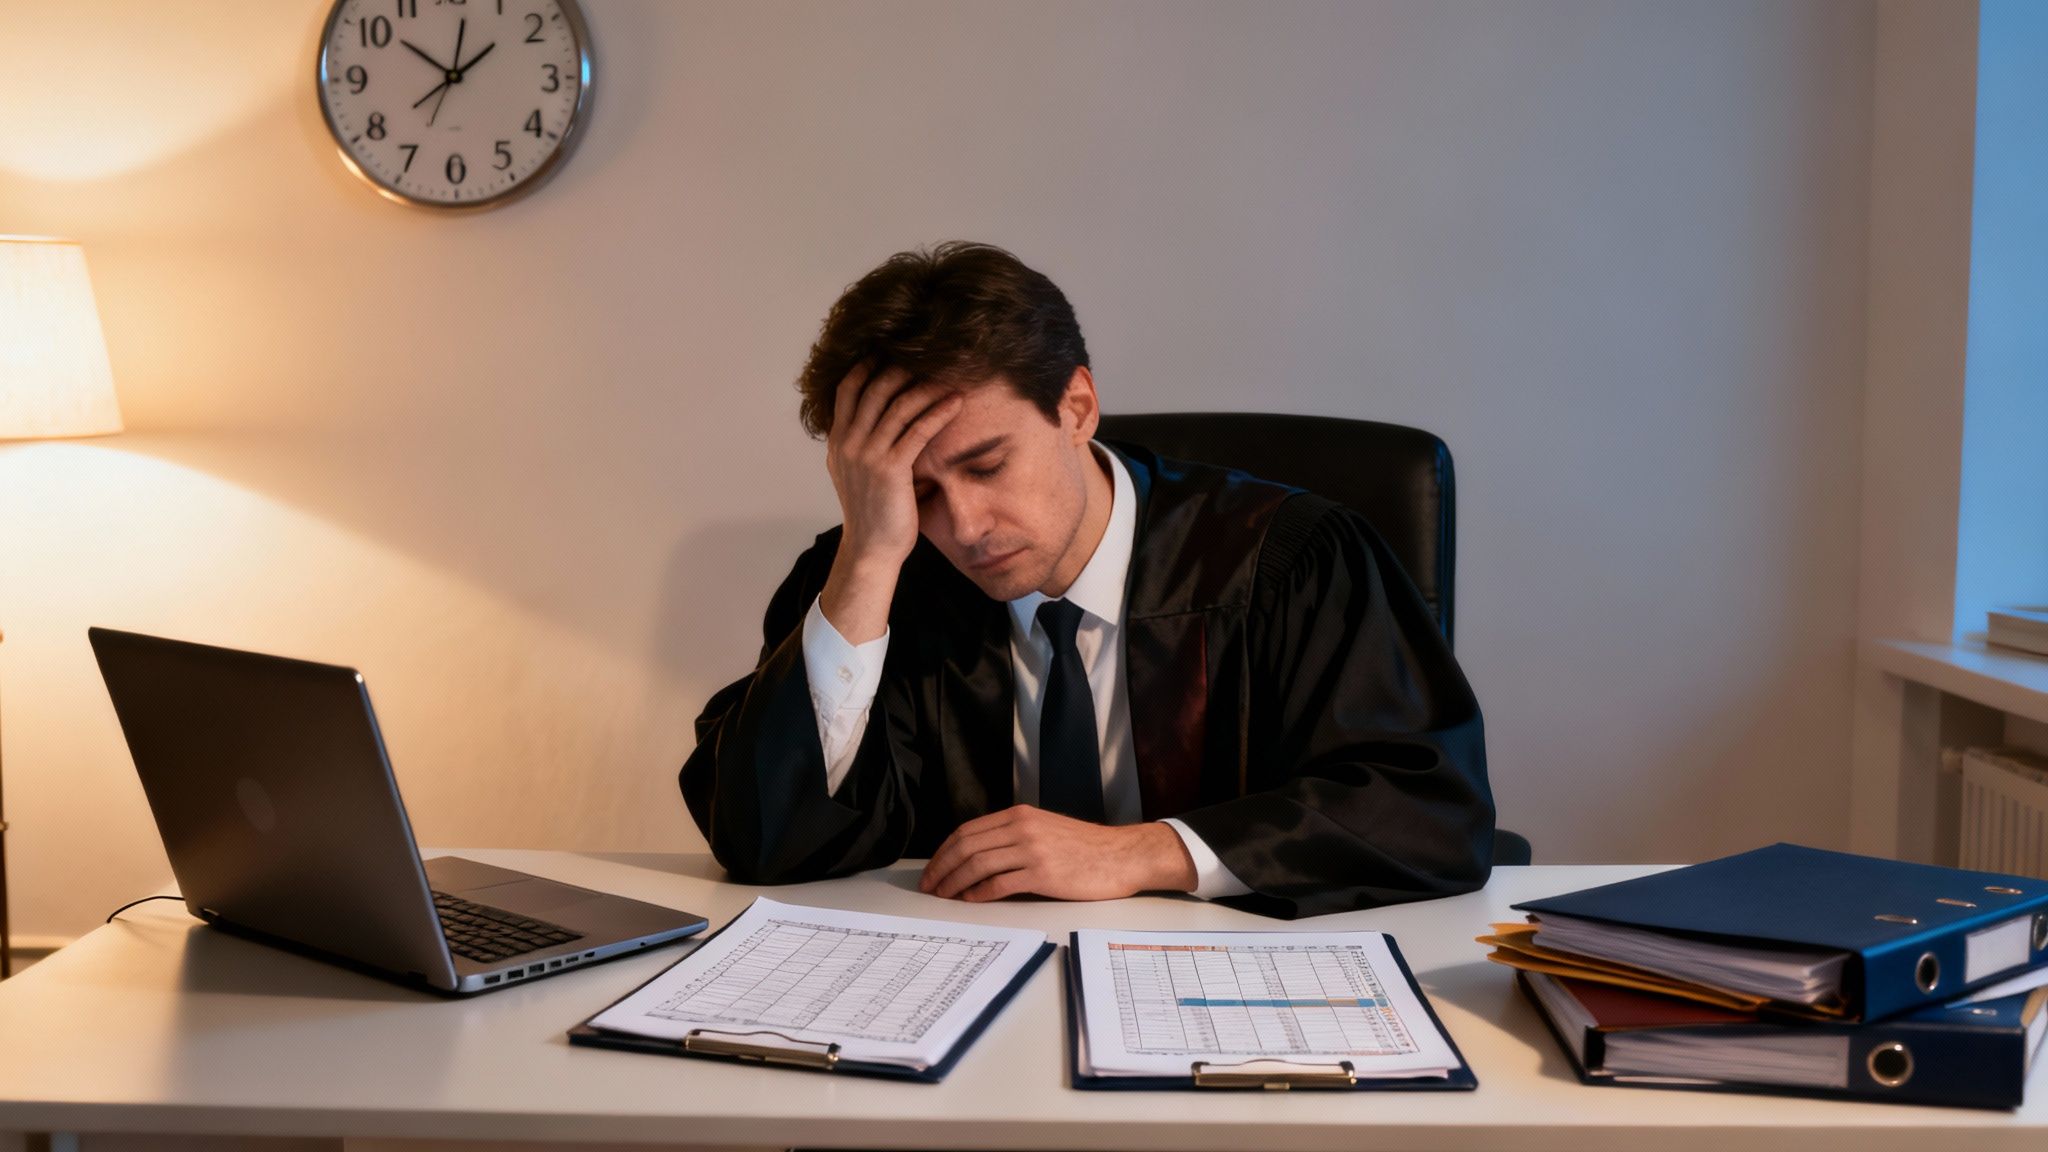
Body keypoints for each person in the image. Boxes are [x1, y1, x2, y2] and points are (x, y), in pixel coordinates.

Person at [680, 241, 1494, 919]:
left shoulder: (1291, 557)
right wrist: (867, 555)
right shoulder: (876, 576)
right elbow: (766, 841)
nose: (963, 526)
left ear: (1076, 406)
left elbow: (1430, 810)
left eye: (987, 464)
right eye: (918, 490)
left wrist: (1146, 851)